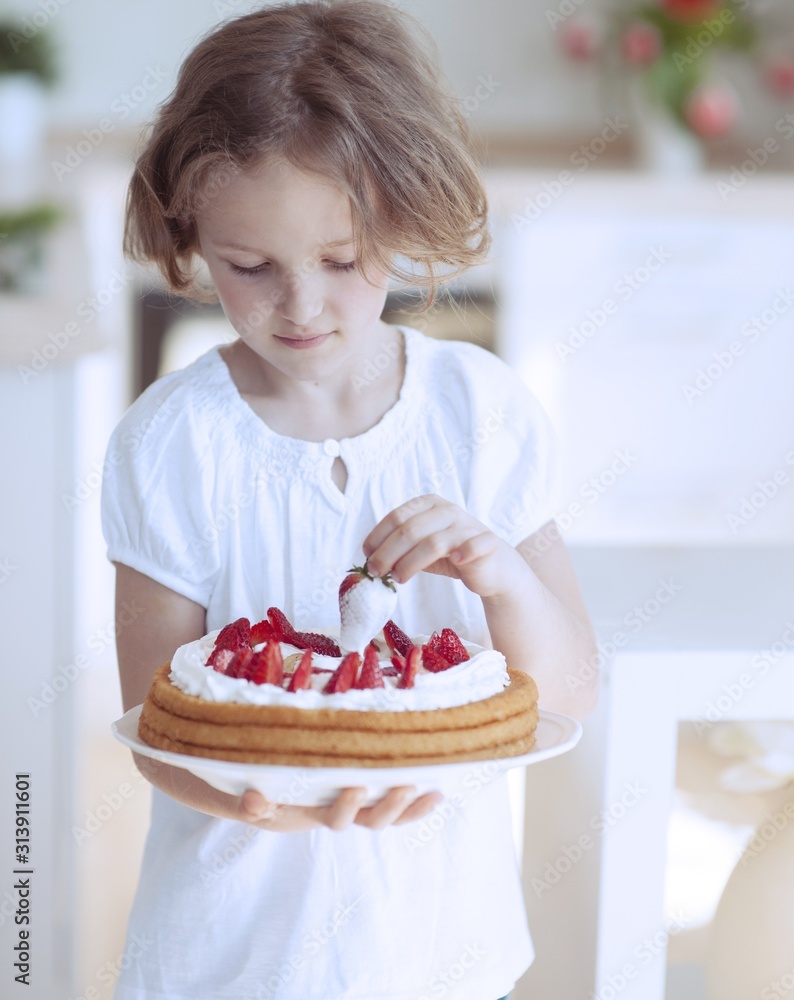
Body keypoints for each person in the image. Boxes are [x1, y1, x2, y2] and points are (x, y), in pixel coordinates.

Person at [101, 2, 599, 997]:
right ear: (191, 233)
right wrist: (268, 802)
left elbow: (567, 690)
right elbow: (157, 720)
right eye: (249, 266)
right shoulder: (171, 442)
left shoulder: (478, 414)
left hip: (439, 942)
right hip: (228, 952)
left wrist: (496, 573)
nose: (299, 304)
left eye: (340, 260)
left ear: (404, 214)